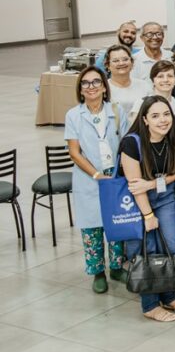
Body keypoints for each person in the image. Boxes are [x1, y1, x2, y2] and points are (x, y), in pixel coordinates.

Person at [120, 95, 175, 321]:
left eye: (166, 114)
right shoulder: (132, 143)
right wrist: (148, 215)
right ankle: (150, 305)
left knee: (171, 244)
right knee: (147, 250)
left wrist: (151, 184)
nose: (163, 120)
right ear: (145, 119)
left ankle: (169, 297)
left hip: (164, 195)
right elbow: (135, 186)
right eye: (156, 116)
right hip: (138, 201)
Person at [65, 67, 129, 294]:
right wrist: (96, 175)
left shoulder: (116, 111)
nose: (91, 86)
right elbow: (74, 153)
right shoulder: (74, 115)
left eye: (96, 82)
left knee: (116, 222)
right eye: (85, 83)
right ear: (80, 89)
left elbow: (126, 144)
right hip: (88, 176)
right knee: (92, 225)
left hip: (115, 174)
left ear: (104, 87)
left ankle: (117, 267)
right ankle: (98, 272)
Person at [105, 45, 151, 113]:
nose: (121, 63)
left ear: (132, 63)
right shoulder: (103, 88)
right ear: (108, 65)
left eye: (125, 59)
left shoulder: (144, 85)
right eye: (116, 61)